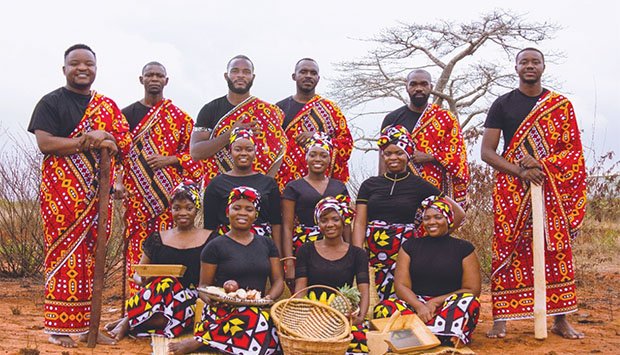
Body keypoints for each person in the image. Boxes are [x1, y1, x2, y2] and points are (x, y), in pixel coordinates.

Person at [27, 44, 131, 348]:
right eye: (75, 63)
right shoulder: (50, 102)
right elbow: (46, 144)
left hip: (99, 195)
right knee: (63, 257)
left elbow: (124, 144)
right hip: (62, 197)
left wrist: (106, 137)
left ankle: (90, 326)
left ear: (96, 69)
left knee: (93, 258)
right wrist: (87, 141)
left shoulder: (107, 106)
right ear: (64, 69)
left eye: (89, 64)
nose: (82, 68)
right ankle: (59, 328)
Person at [481, 48, 587, 339]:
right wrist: (520, 171)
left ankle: (560, 319)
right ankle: (501, 318)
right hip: (511, 190)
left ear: (543, 66)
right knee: (507, 246)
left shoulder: (560, 105)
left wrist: (541, 164)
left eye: (535, 61)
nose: (530, 66)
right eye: (524, 62)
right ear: (515, 67)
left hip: (550, 188)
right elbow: (487, 152)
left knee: (555, 251)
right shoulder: (502, 104)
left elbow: (572, 153)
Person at [352, 125, 465, 301]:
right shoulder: (369, 185)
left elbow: (458, 213)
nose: (393, 158)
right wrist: (358, 254)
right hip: (372, 253)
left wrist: (433, 240)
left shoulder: (419, 184)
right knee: (371, 300)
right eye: (388, 153)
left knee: (401, 296)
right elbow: (359, 222)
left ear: (408, 154)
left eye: (399, 153)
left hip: (405, 252)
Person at [118, 61, 203, 292]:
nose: (154, 79)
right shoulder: (125, 115)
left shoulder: (180, 118)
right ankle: (137, 304)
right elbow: (118, 155)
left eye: (159, 75)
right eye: (149, 75)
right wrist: (117, 183)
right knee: (138, 249)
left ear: (166, 81)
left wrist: (170, 159)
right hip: (136, 199)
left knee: (167, 248)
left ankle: (166, 301)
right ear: (141, 79)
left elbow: (195, 156)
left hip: (170, 201)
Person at [169, 186, 284, 355]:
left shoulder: (267, 244)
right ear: (228, 212)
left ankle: (205, 340)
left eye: (249, 209)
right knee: (254, 322)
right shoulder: (215, 245)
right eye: (236, 208)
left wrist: (268, 298)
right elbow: (203, 286)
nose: (242, 213)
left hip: (257, 308)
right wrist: (211, 299)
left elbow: (279, 280)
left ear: (256, 215)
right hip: (222, 311)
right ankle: (209, 339)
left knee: (260, 322)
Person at [106, 181, 210, 340]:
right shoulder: (157, 238)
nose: (183, 213)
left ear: (196, 209)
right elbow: (138, 274)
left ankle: (129, 321)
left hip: (192, 299)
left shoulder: (210, 239)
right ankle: (133, 320)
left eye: (188, 208)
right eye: (177, 208)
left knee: (167, 293)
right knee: (166, 283)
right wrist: (144, 279)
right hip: (159, 298)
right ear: (171, 209)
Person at [374, 196, 481, 346]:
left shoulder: (464, 248)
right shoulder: (409, 247)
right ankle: (436, 335)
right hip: (416, 306)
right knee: (384, 307)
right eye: (427, 218)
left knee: (469, 302)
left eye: (438, 217)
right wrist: (419, 306)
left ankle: (416, 336)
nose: (431, 222)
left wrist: (435, 302)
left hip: (447, 306)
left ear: (448, 219)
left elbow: (472, 289)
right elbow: (401, 286)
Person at [190, 55, 287, 186]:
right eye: (235, 71)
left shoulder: (268, 112)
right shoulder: (210, 109)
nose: (241, 75)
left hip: (257, 192)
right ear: (226, 76)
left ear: (253, 77)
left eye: (246, 72)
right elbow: (196, 153)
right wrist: (231, 134)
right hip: (217, 189)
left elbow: (279, 153)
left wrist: (264, 185)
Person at [379, 69, 469, 207]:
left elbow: (458, 156)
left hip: (435, 192)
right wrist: (381, 188)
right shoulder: (392, 119)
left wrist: (431, 157)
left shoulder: (446, 119)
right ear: (407, 87)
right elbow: (383, 156)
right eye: (413, 84)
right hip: (399, 189)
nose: (418, 88)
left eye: (424, 84)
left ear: (431, 87)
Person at [295, 196, 370, 354]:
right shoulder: (306, 250)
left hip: (344, 316)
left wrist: (360, 317)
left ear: (343, 221)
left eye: (335, 219)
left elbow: (363, 289)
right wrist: (302, 319)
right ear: (318, 223)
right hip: (313, 315)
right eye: (324, 220)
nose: (330, 224)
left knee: (357, 346)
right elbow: (300, 290)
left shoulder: (358, 254)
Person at [281, 132, 350, 289]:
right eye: (313, 155)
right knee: (304, 289)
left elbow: (346, 223)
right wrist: (289, 261)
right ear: (306, 157)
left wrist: (350, 253)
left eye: (323, 155)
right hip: (303, 246)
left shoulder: (339, 186)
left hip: (334, 244)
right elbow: (287, 226)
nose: (318, 159)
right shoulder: (293, 187)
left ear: (329, 158)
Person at [275, 58, 353, 189]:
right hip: (285, 184)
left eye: (313, 73)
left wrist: (318, 137)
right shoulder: (279, 109)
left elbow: (346, 144)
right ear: (294, 76)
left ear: (318, 78)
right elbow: (270, 147)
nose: (308, 76)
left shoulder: (330, 110)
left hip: (322, 186)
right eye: (303, 72)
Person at [202, 128, 282, 253]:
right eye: (238, 149)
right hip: (227, 246)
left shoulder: (268, 183)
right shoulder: (216, 184)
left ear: (255, 152)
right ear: (230, 151)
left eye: (249, 149)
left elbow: (276, 222)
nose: (243, 153)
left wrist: (278, 255)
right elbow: (210, 226)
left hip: (262, 246)